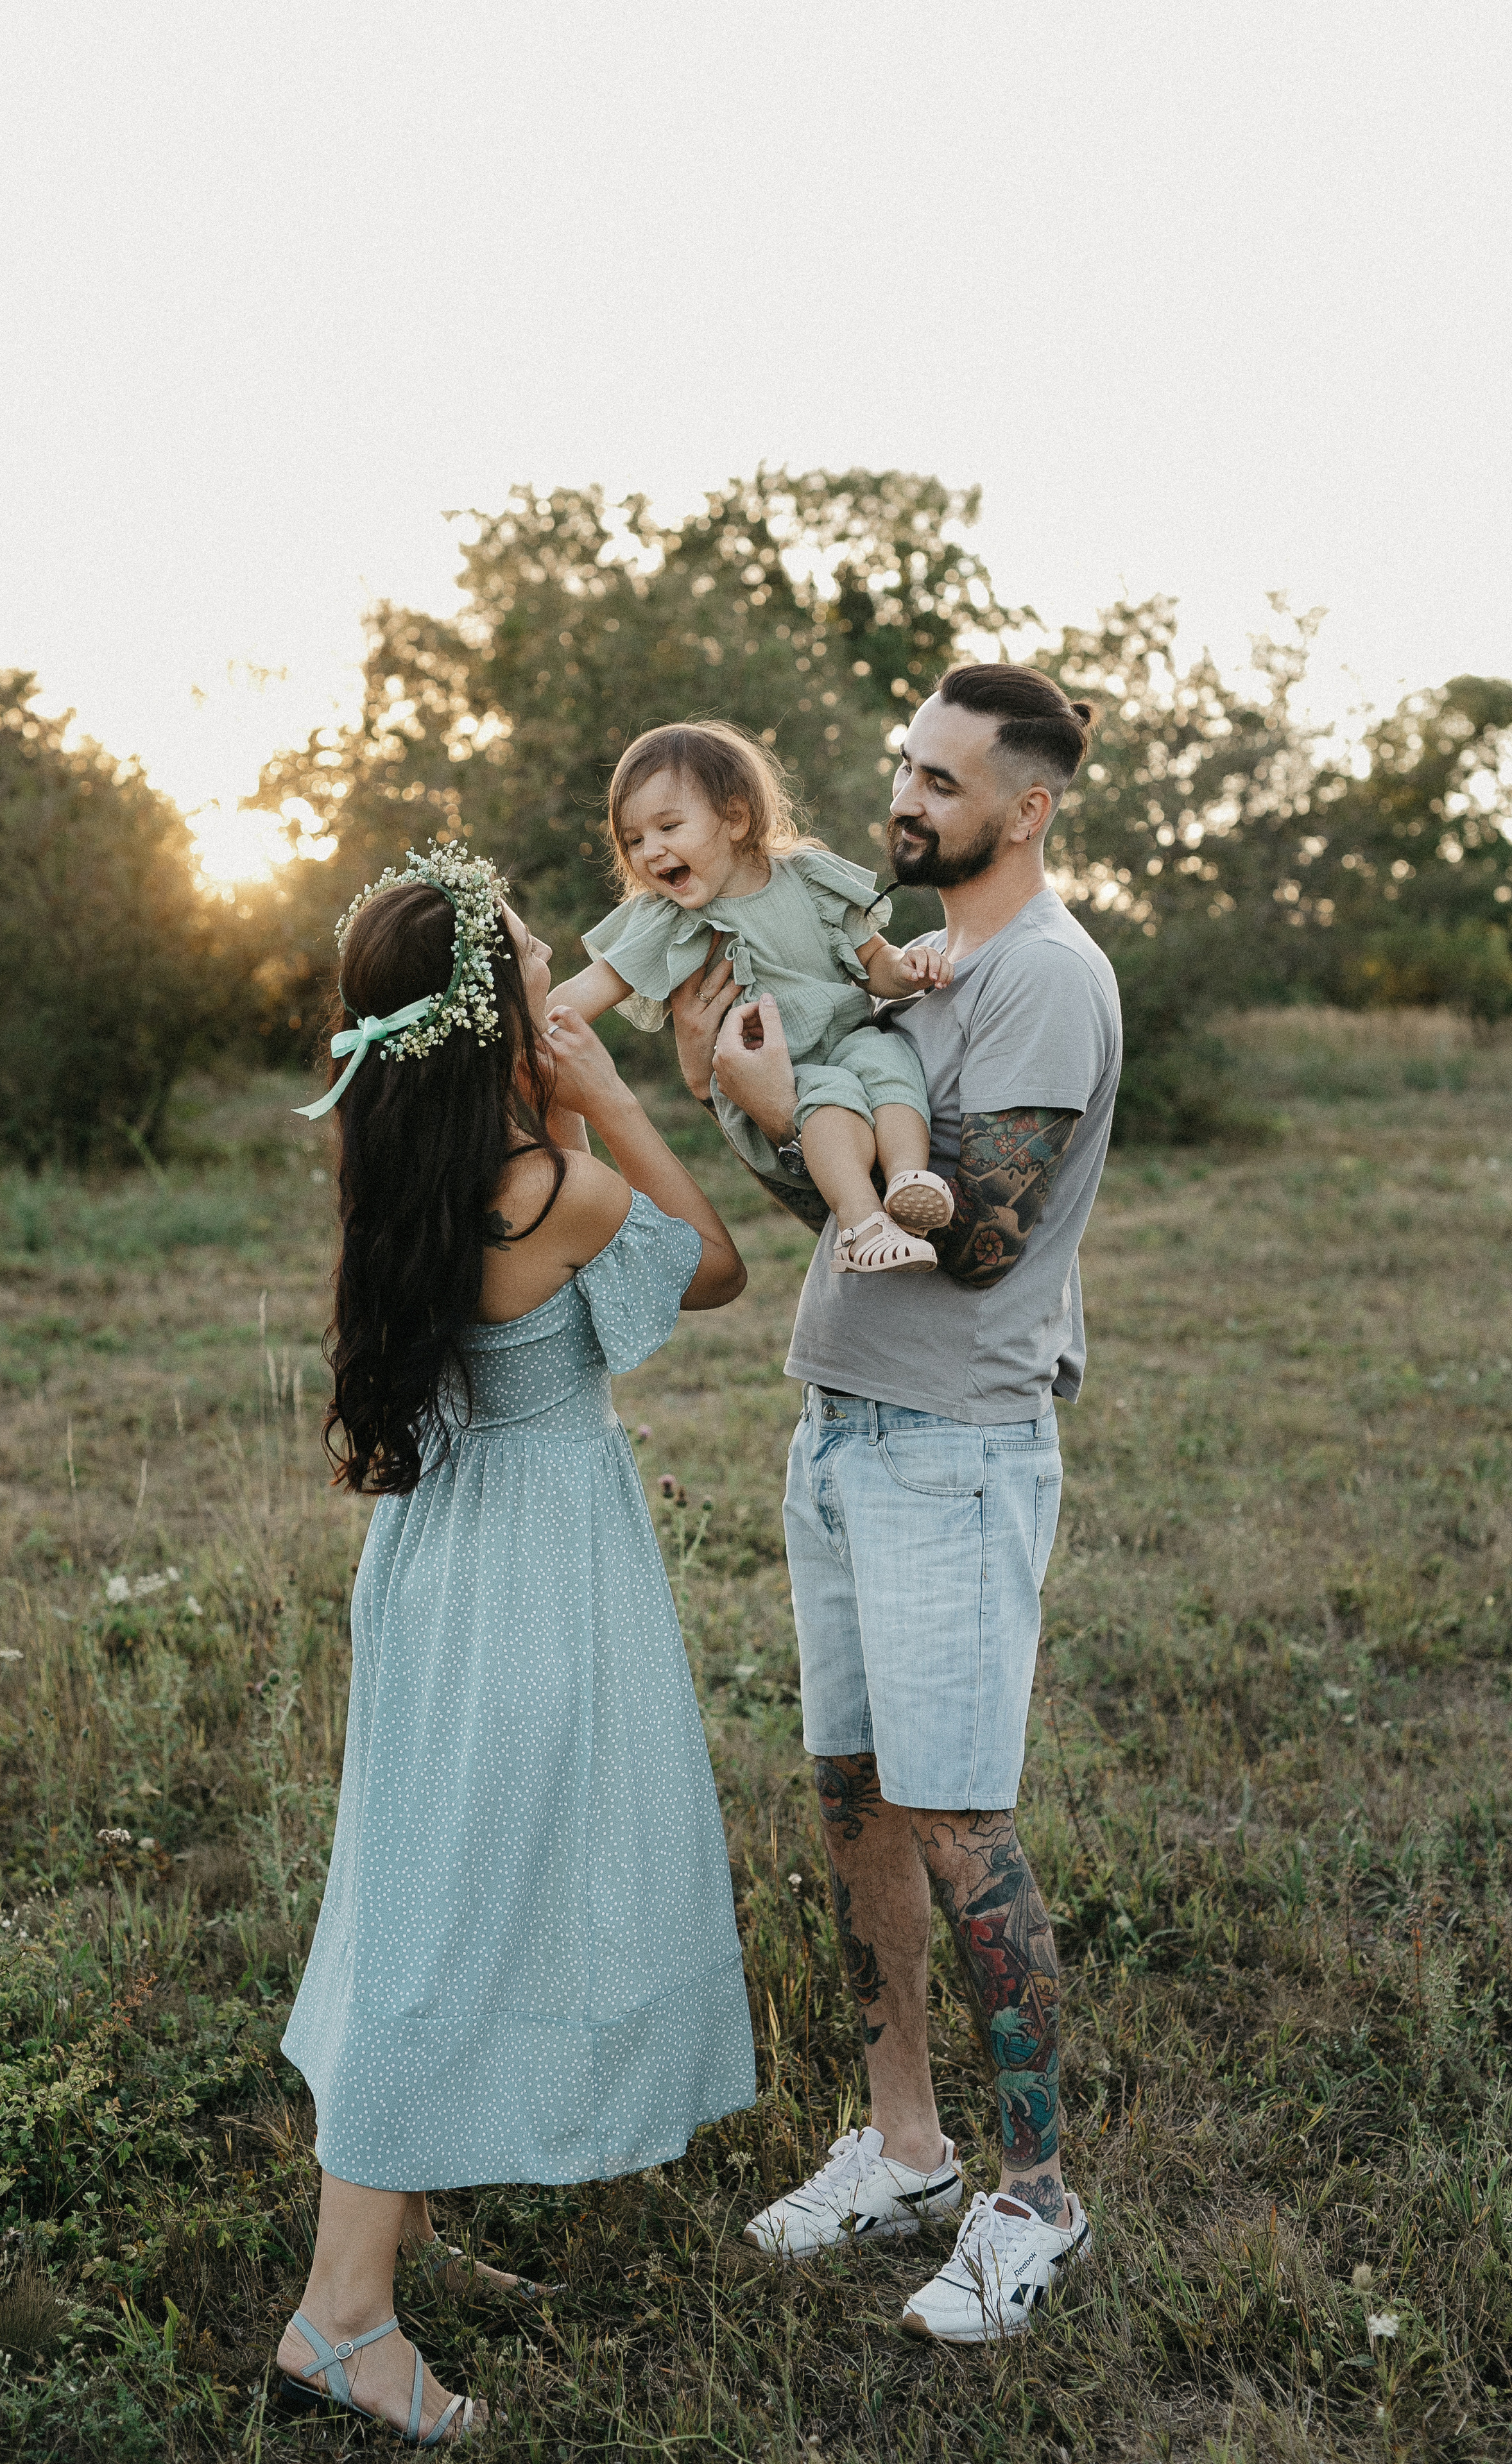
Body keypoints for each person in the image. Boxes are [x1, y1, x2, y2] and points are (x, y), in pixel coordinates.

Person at [277, 841, 756, 2443]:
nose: (565, 977)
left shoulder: (404, 1159)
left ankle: (394, 2221)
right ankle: (340, 2316)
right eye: (542, 967)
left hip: (435, 1556)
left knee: (418, 1868)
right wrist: (613, 1095)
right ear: (494, 1018)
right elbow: (716, 1271)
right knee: (456, 1910)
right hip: (539, 1569)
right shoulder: (556, 1186)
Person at [667, 665, 1122, 2346]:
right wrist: (738, 1090)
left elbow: (984, 1232)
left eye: (942, 781)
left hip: (959, 1444)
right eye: (903, 768)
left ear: (1028, 807)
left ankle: (1032, 2198)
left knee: (958, 1823)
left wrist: (788, 1109)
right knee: (855, 1797)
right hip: (843, 1424)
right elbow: (827, 1198)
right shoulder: (902, 970)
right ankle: (905, 2146)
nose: (908, 799)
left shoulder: (1048, 982)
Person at [550, 719, 957, 1274]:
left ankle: (911, 1179)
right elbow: (582, 994)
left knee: (890, 1059)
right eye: (635, 840)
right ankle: (863, 1223)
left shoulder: (809, 876)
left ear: (736, 818)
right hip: (776, 1078)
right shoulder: (666, 920)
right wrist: (496, 1017)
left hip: (851, 1039)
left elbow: (875, 965)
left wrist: (908, 970)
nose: (651, 851)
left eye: (668, 826)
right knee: (833, 1092)